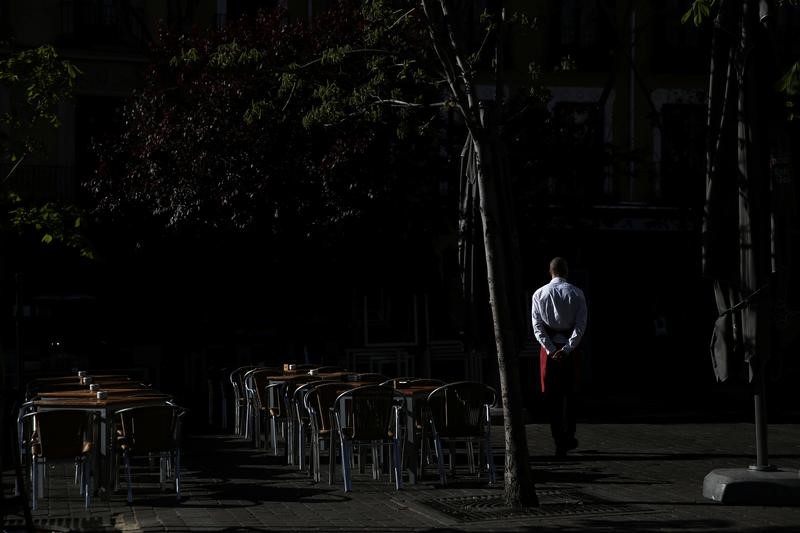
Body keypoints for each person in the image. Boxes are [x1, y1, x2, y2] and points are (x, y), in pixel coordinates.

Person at [531, 257, 588, 458]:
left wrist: (549, 349)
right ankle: (568, 435)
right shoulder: (576, 293)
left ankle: (558, 439)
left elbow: (537, 326)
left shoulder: (539, 294)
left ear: (550, 271)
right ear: (566, 271)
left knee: (553, 397)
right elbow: (581, 325)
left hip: (550, 349)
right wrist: (569, 348)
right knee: (570, 395)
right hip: (569, 350)